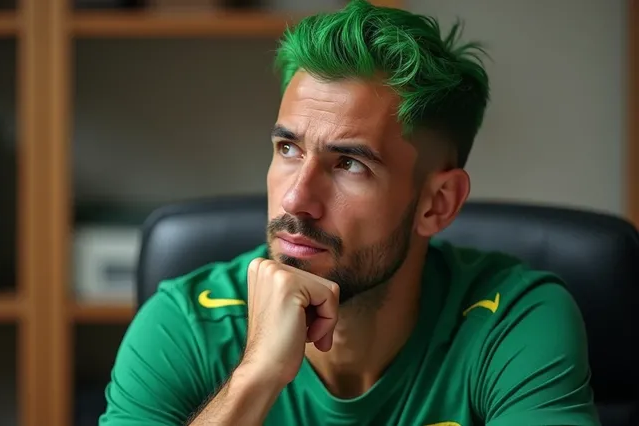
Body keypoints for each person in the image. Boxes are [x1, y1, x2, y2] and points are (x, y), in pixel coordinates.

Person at [99, 1, 600, 425]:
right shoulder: (186, 323)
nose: (296, 199)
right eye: (289, 149)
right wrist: (256, 377)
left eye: (350, 164)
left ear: (437, 203)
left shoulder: (514, 320)